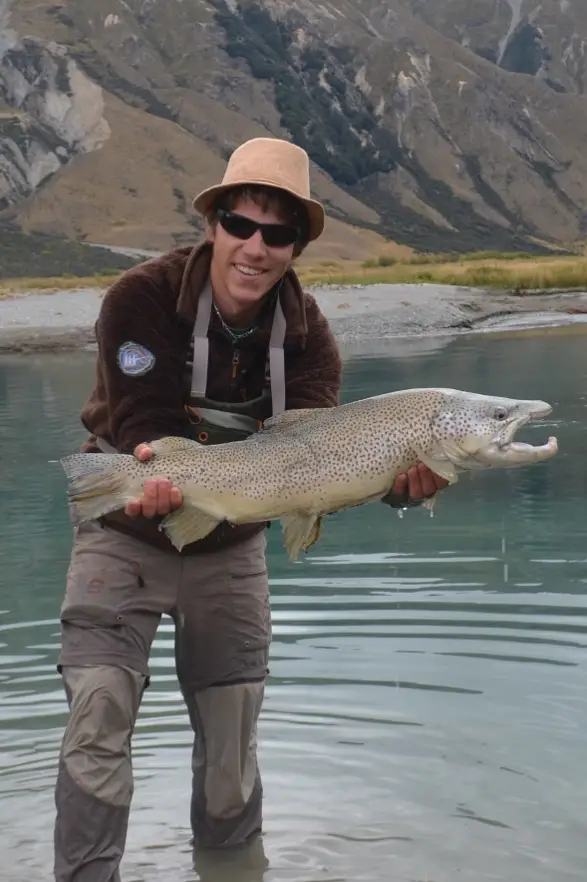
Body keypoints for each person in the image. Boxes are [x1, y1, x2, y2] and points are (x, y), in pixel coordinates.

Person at [53, 136, 448, 881]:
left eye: (278, 234)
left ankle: (232, 870)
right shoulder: (138, 298)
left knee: (232, 745)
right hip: (121, 534)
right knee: (97, 713)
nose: (255, 248)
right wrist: (153, 477)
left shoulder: (310, 339)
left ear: (296, 246)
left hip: (231, 548)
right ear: (214, 225)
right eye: (242, 225)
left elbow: (321, 465)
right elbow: (138, 422)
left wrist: (396, 489)